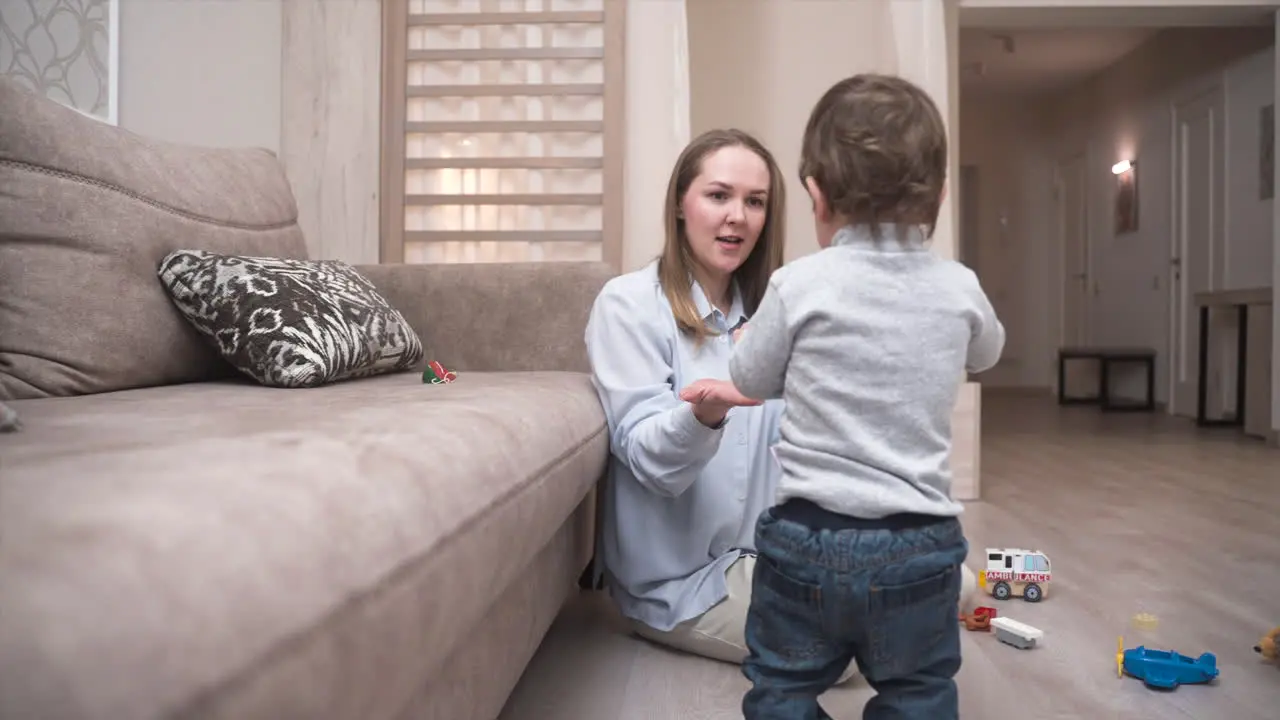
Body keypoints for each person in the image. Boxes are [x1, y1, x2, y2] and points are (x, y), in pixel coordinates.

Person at [583, 126, 980, 678]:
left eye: (755, 202)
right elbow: (652, 462)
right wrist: (708, 409)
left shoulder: (781, 306)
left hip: (779, 555)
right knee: (837, 658)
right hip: (683, 583)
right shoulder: (627, 305)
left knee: (953, 580)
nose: (737, 217)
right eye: (718, 195)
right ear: (680, 203)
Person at [682, 74, 1006, 719]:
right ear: (940, 195)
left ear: (816, 194)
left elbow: (749, 378)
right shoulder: (959, 286)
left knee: (782, 687)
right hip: (920, 544)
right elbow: (987, 353)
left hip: (808, 540)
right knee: (918, 692)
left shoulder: (799, 283)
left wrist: (752, 339)